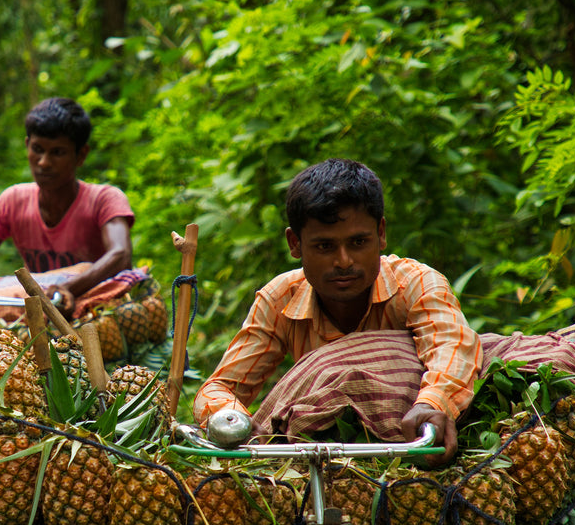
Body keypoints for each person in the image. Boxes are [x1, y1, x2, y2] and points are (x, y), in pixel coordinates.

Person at [193, 158, 481, 464]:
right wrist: (232, 420)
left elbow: (453, 347)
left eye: (358, 242)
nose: (344, 261)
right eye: (324, 246)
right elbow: (219, 387)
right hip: (319, 462)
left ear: (381, 234)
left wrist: (433, 403)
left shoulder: (416, 283)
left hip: (410, 448)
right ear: (295, 243)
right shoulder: (279, 298)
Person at [0, 97, 134, 309]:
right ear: (27, 146)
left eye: (57, 152)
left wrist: (69, 289)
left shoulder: (104, 200)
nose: (44, 162)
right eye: (37, 149)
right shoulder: (13, 201)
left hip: (95, 313)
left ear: (81, 155)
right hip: (36, 319)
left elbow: (121, 255)